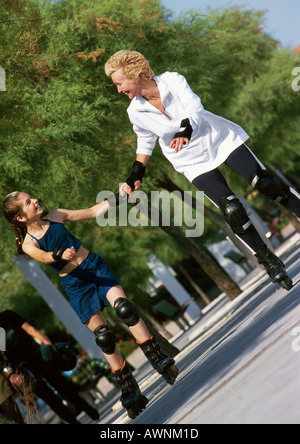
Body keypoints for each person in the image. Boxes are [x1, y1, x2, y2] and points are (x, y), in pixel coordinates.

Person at [104, 50, 300, 291]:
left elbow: (194, 106)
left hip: (218, 138)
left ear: (134, 75)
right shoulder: (135, 111)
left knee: (265, 183)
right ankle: (267, 259)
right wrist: (136, 173)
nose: (118, 90)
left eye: (118, 83)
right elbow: (145, 140)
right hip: (190, 160)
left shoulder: (172, 80)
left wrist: (186, 128)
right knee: (231, 208)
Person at [2, 187, 178, 419]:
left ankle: (159, 359)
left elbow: (94, 211)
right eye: (27, 201)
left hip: (94, 268)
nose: (35, 200)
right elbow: (43, 257)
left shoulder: (56, 215)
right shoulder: (28, 244)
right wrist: (58, 255)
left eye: (31, 197)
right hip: (76, 286)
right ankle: (130, 390)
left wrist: (121, 196)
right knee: (104, 337)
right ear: (21, 217)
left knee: (125, 310)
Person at [0, 309, 99, 424]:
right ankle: (83, 412)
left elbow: (29, 330)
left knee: (55, 392)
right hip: (29, 363)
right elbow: (29, 330)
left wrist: (47, 342)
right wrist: (10, 374)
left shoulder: (7, 316)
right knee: (56, 391)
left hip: (31, 361)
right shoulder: (7, 316)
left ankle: (82, 412)